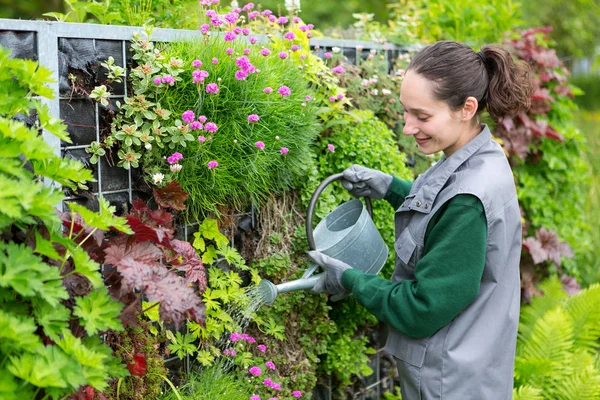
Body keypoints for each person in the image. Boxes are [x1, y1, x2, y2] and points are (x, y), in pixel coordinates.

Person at [309, 40, 532, 400]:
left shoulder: (467, 201)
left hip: (451, 383)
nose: (409, 127)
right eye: (406, 112)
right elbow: (444, 214)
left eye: (422, 116)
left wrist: (350, 279)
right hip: (475, 365)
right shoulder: (484, 156)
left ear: (466, 108)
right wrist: (390, 188)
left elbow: (421, 309)